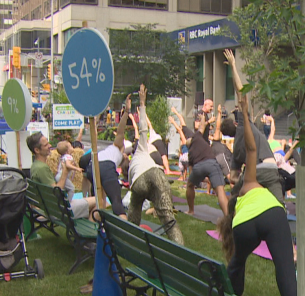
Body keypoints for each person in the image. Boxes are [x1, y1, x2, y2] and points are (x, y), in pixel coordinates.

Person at [217, 86, 305, 296]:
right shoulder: (250, 183)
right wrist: (244, 112)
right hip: (272, 215)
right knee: (286, 277)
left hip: (245, 227)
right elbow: (252, 150)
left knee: (236, 264)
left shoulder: (238, 210)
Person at [222, 49, 284, 203]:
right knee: (279, 205)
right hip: (271, 169)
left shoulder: (236, 149)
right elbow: (241, 93)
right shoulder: (244, 125)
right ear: (236, 123)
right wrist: (233, 66)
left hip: (254, 174)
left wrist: (240, 182)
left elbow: (233, 177)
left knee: (235, 200)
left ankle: (231, 221)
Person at [127, 84, 185, 246]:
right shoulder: (141, 149)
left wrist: (132, 111)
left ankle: (131, 240)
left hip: (138, 182)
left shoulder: (133, 160)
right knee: (169, 220)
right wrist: (142, 104)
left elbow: (143, 130)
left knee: (134, 208)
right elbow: (144, 128)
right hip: (156, 175)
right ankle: (180, 252)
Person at [27, 132, 97, 220]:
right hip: (57, 211)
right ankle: (93, 232)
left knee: (94, 202)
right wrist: (65, 171)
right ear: (37, 150)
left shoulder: (35, 165)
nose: (50, 146)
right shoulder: (42, 169)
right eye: (46, 145)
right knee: (100, 201)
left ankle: (91, 230)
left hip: (50, 208)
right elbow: (57, 192)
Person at [83, 96, 132, 220]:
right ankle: (125, 234)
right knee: (116, 203)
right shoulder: (117, 147)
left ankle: (93, 231)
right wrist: (126, 112)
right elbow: (121, 131)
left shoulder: (109, 153)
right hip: (104, 167)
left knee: (100, 203)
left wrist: (85, 194)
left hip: (92, 166)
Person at [185, 109, 230, 216]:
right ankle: (229, 218)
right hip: (212, 163)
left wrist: (203, 178)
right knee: (220, 191)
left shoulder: (190, 154)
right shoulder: (197, 137)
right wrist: (203, 118)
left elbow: (192, 175)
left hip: (198, 167)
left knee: (189, 185)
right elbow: (201, 127)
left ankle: (191, 210)